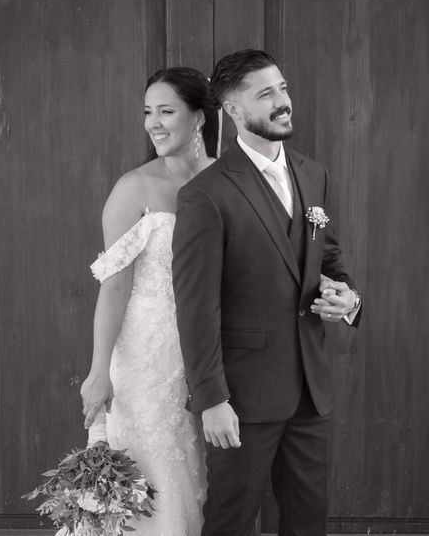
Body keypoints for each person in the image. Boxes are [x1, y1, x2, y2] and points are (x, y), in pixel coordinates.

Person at [172, 49, 362, 536]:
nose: (283, 101)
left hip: (310, 391)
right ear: (234, 110)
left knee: (307, 521)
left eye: (283, 88)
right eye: (265, 94)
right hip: (242, 397)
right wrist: (212, 399)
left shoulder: (312, 172)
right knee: (232, 521)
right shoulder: (205, 195)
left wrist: (348, 299)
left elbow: (329, 259)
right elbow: (196, 308)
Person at [80, 67, 219, 535]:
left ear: (199, 117)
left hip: (210, 357)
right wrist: (100, 372)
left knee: (198, 480)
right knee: (152, 476)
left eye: (166, 111)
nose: (153, 122)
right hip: (144, 362)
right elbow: (114, 286)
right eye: (147, 112)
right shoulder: (132, 188)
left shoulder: (229, 180)